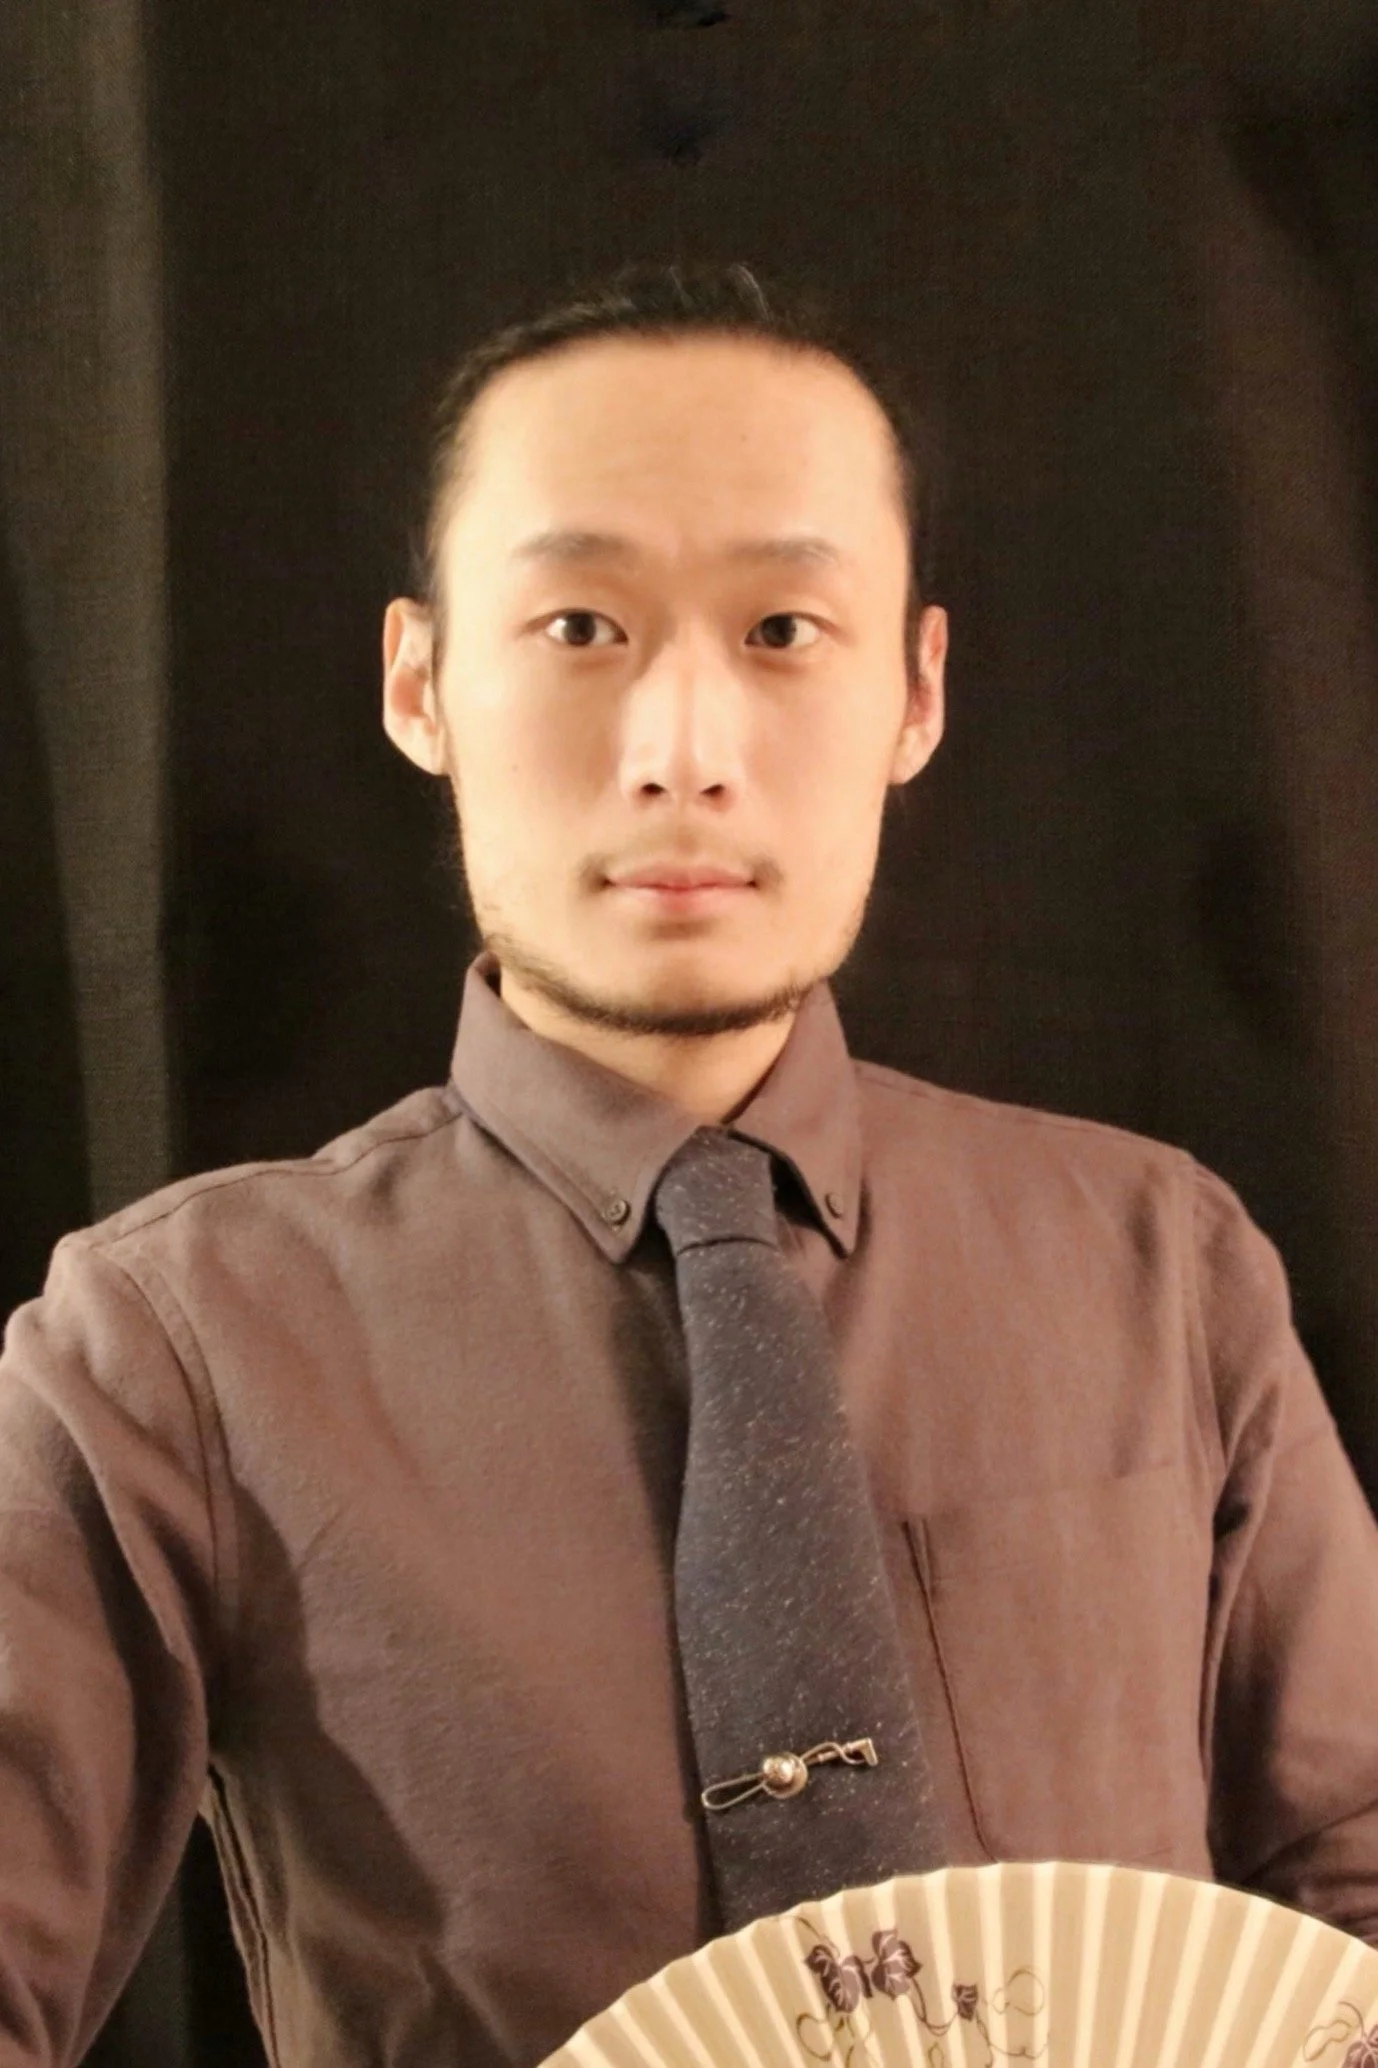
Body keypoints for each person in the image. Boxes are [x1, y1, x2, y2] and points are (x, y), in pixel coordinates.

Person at [3, 259, 1377, 2068]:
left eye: (784, 631)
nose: (681, 753)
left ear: (916, 692)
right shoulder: (169, 1344)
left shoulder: (1159, 1260)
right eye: (579, 625)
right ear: (419, 683)